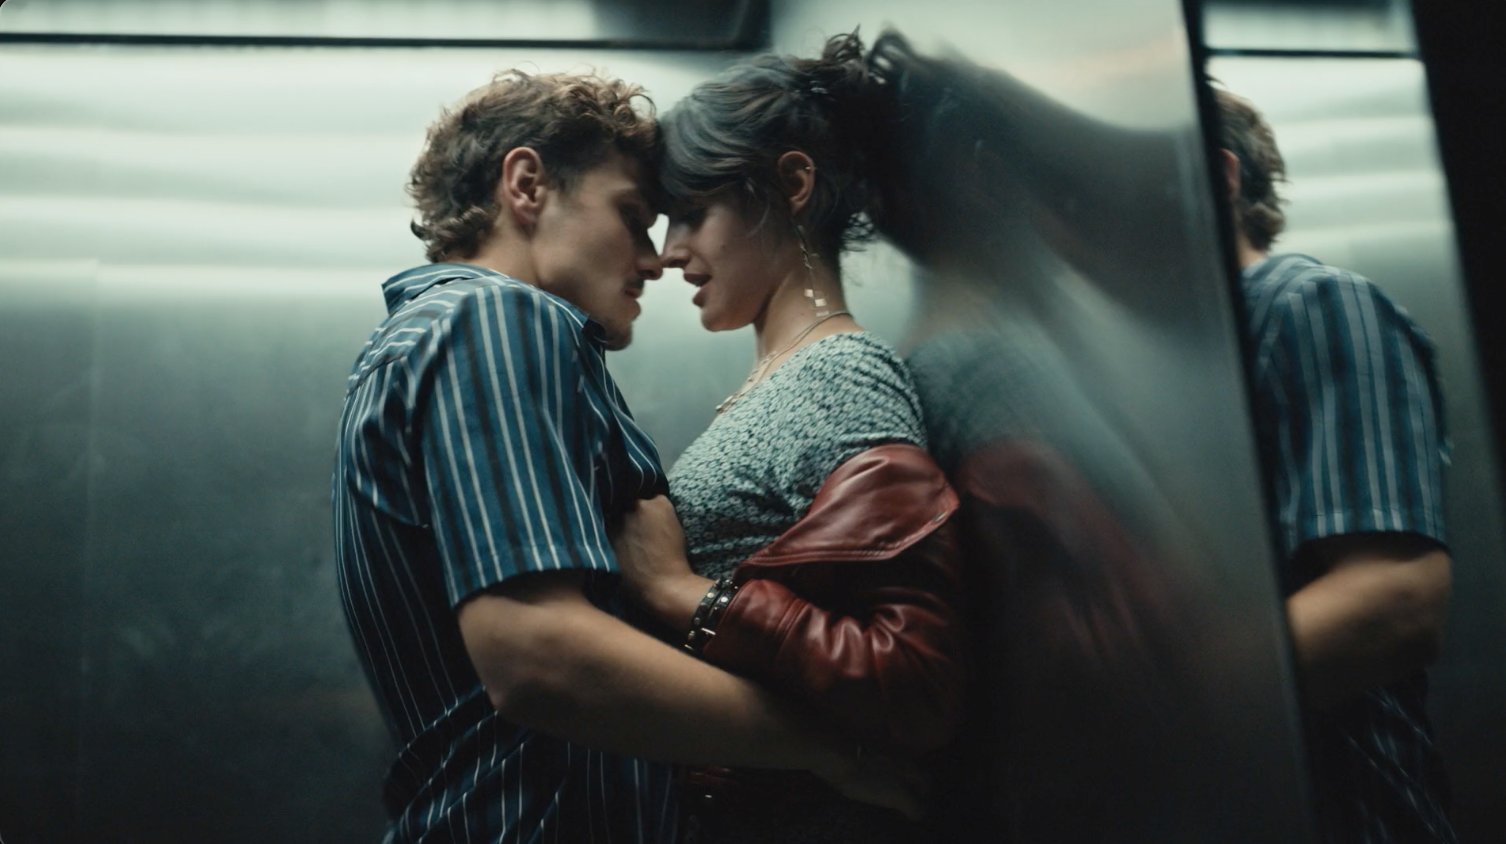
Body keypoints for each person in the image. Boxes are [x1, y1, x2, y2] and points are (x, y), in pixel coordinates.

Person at [331, 69, 916, 844]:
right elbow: (537, 657)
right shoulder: (495, 319)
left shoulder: (432, 334)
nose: (653, 259)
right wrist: (827, 750)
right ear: (527, 185)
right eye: (633, 217)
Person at [608, 33, 967, 843]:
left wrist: (680, 594)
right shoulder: (779, 380)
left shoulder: (840, 376)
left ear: (792, 185)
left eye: (693, 213)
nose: (669, 253)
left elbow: (916, 677)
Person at [1216, 87, 1457, 843]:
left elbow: (1395, 598)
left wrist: (1144, 715)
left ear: (1220, 178)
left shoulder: (1311, 304)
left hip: (1350, 811)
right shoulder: (1174, 364)